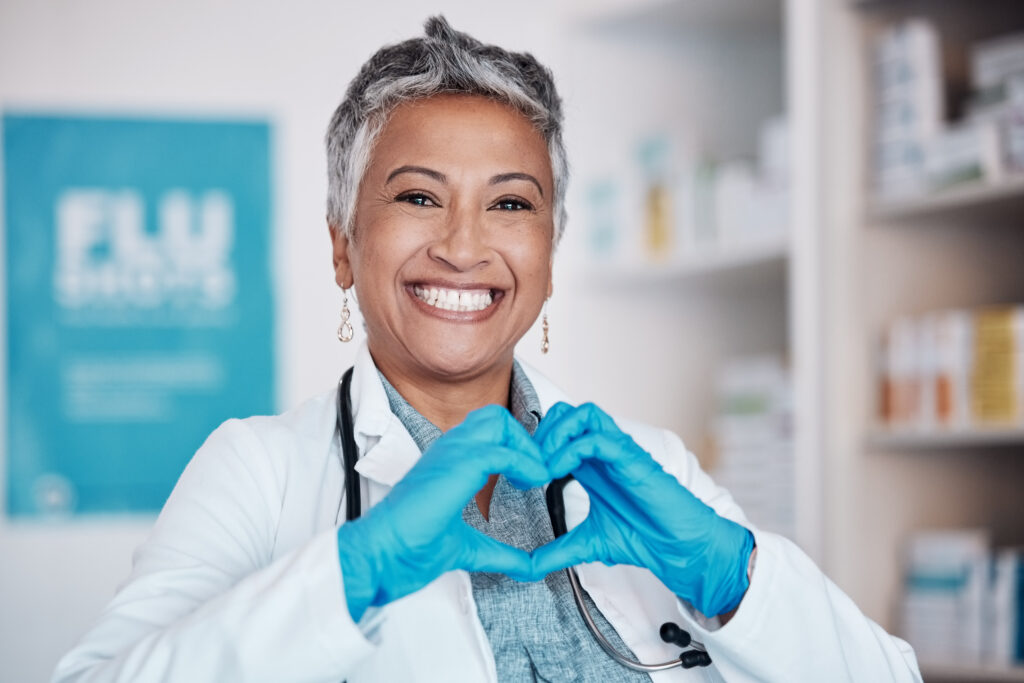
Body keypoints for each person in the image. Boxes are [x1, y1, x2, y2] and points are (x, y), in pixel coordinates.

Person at [54, 17, 922, 683]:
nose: (465, 247)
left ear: (550, 252)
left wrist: (736, 578)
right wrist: (357, 570)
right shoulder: (260, 471)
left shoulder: (653, 470)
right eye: (419, 197)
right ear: (342, 244)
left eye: (511, 204)